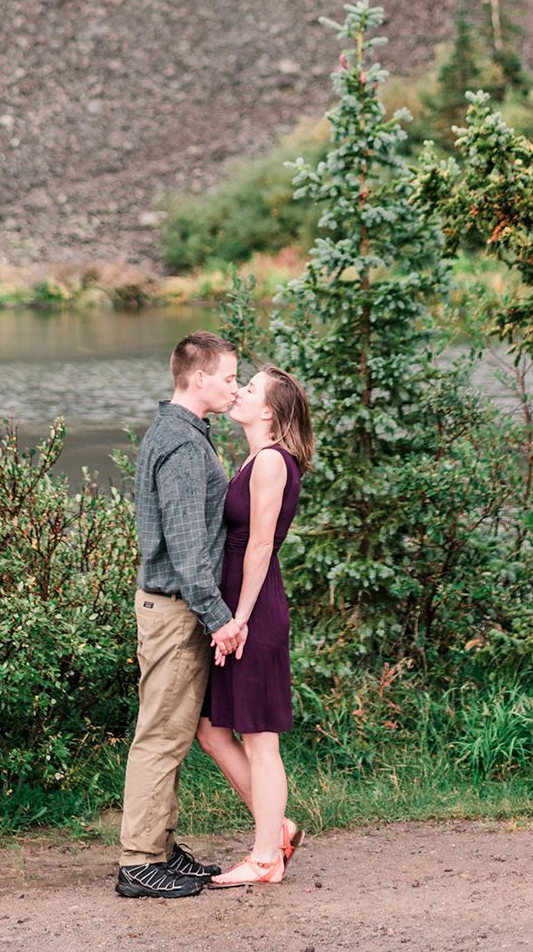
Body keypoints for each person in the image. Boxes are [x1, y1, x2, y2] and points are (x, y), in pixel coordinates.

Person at [116, 330, 245, 900]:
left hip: (170, 607)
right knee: (161, 738)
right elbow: (191, 556)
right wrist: (220, 618)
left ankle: (160, 850)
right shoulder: (186, 448)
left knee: (168, 732)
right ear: (199, 378)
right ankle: (140, 862)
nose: (234, 387)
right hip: (176, 612)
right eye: (229, 377)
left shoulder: (177, 432)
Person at [197, 365, 313, 888]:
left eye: (249, 389)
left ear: (268, 411)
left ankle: (267, 858)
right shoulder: (253, 459)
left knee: (261, 739)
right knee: (211, 729)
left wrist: (238, 619)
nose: (238, 392)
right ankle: (278, 826)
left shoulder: (270, 461)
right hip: (239, 607)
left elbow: (261, 545)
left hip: (255, 610)